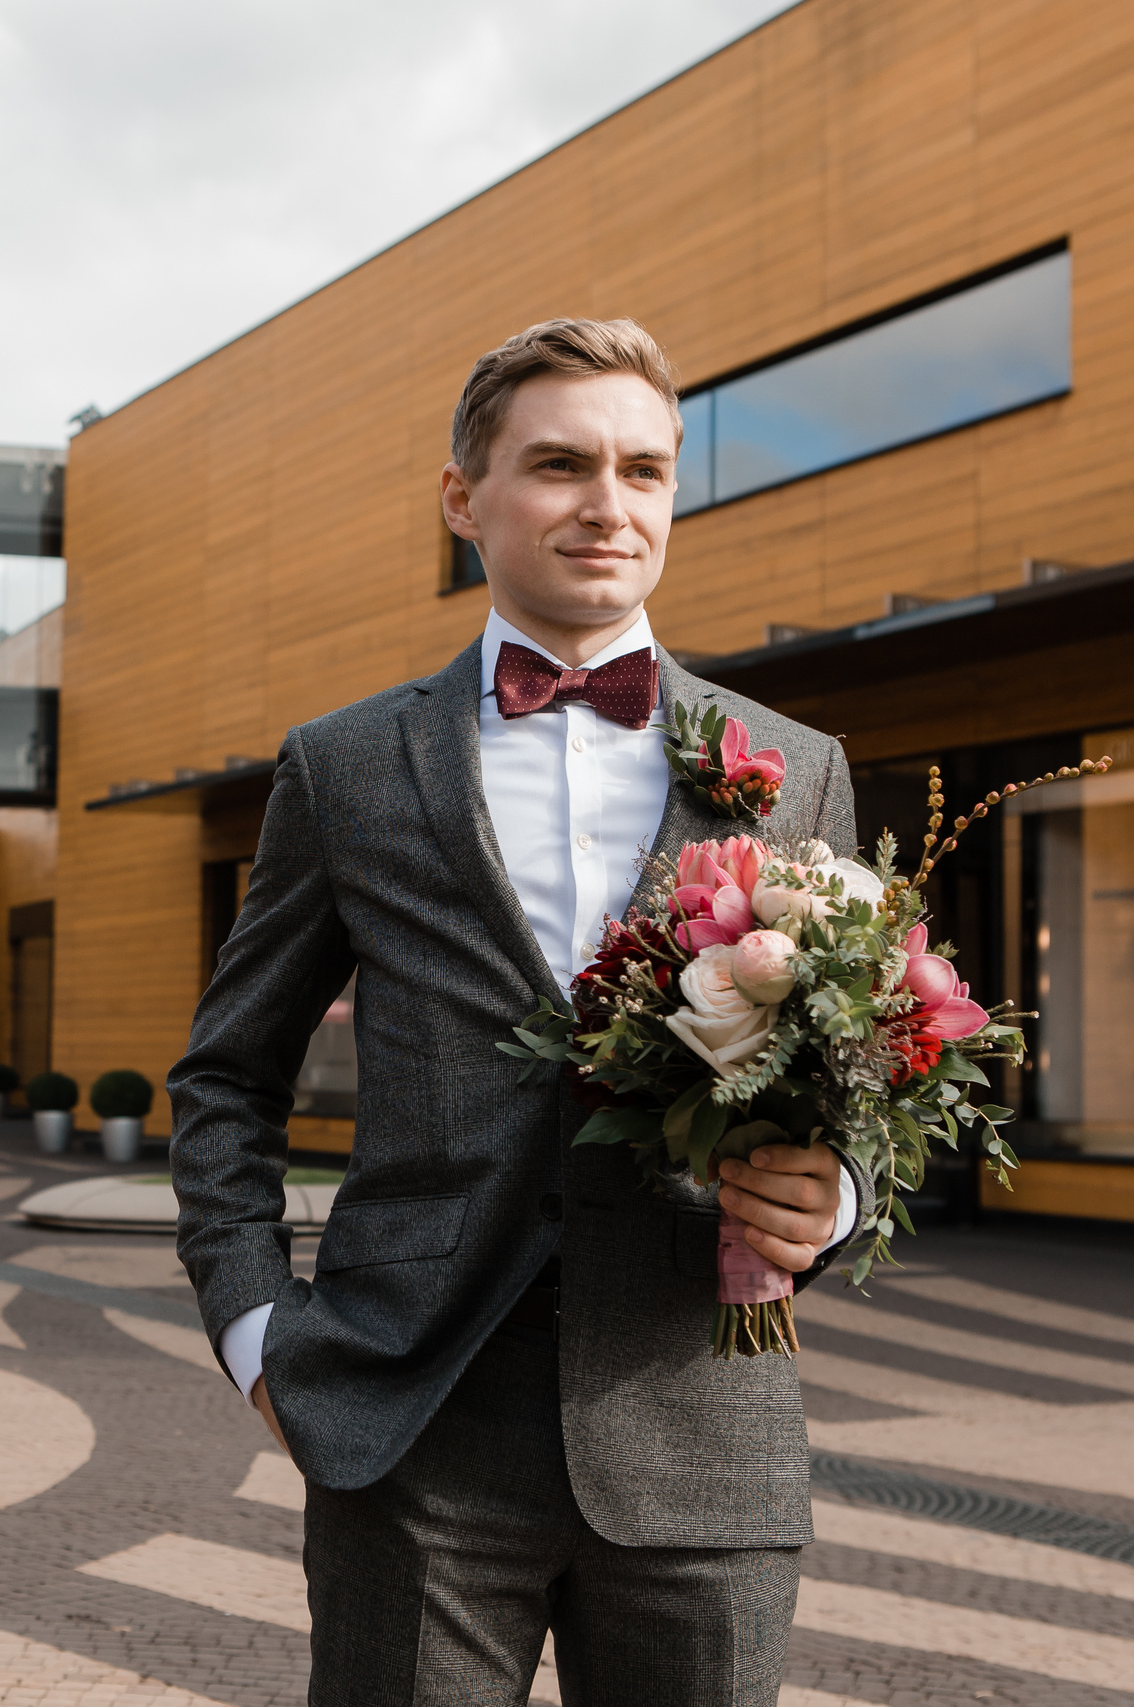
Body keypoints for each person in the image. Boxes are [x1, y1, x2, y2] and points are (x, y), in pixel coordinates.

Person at [171, 319, 868, 1707]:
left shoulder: (796, 767)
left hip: (700, 1430)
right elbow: (226, 1078)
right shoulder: (346, 765)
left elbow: (859, 1077)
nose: (610, 506)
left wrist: (836, 1196)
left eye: (646, 471)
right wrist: (261, 1331)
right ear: (463, 498)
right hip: (409, 1422)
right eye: (559, 465)